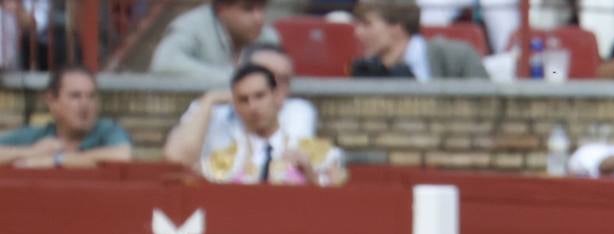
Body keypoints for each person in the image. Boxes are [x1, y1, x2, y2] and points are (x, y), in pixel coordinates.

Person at [163, 44, 317, 172]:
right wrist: (210, 100)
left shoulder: (298, 111)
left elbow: (286, 170)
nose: (274, 88)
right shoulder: (210, 109)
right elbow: (176, 161)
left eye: (283, 80)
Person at [187, 63, 346, 186]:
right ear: (235, 106)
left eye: (259, 96)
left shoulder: (314, 153)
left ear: (276, 96)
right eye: (244, 100)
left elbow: (337, 201)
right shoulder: (223, 161)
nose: (253, 107)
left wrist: (310, 173)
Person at [0, 66, 132, 167]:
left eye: (91, 96)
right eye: (75, 96)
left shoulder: (107, 130)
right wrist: (33, 152)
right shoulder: (38, 135)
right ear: (52, 101)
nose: (85, 105)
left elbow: (122, 155)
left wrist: (56, 160)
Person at [351, 0, 488, 79]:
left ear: (397, 26)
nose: (358, 33)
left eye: (367, 24)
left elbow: (489, 109)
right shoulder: (366, 71)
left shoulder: (458, 57)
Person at [150, 0, 281, 79]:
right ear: (222, 9)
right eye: (248, 9)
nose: (259, 18)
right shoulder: (191, 25)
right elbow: (164, 63)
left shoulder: (268, 36)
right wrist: (235, 77)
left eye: (261, 8)